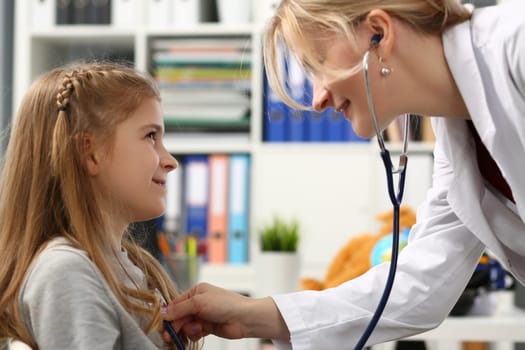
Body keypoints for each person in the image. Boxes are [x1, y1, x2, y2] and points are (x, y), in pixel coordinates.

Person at [163, 0, 525, 349]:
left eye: (318, 64)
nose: (317, 99)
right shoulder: (458, 144)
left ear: (379, 34)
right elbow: (420, 286)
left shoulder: (516, 47)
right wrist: (251, 315)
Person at [0, 61, 198, 350]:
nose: (170, 161)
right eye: (150, 136)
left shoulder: (127, 267)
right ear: (89, 152)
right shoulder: (66, 274)